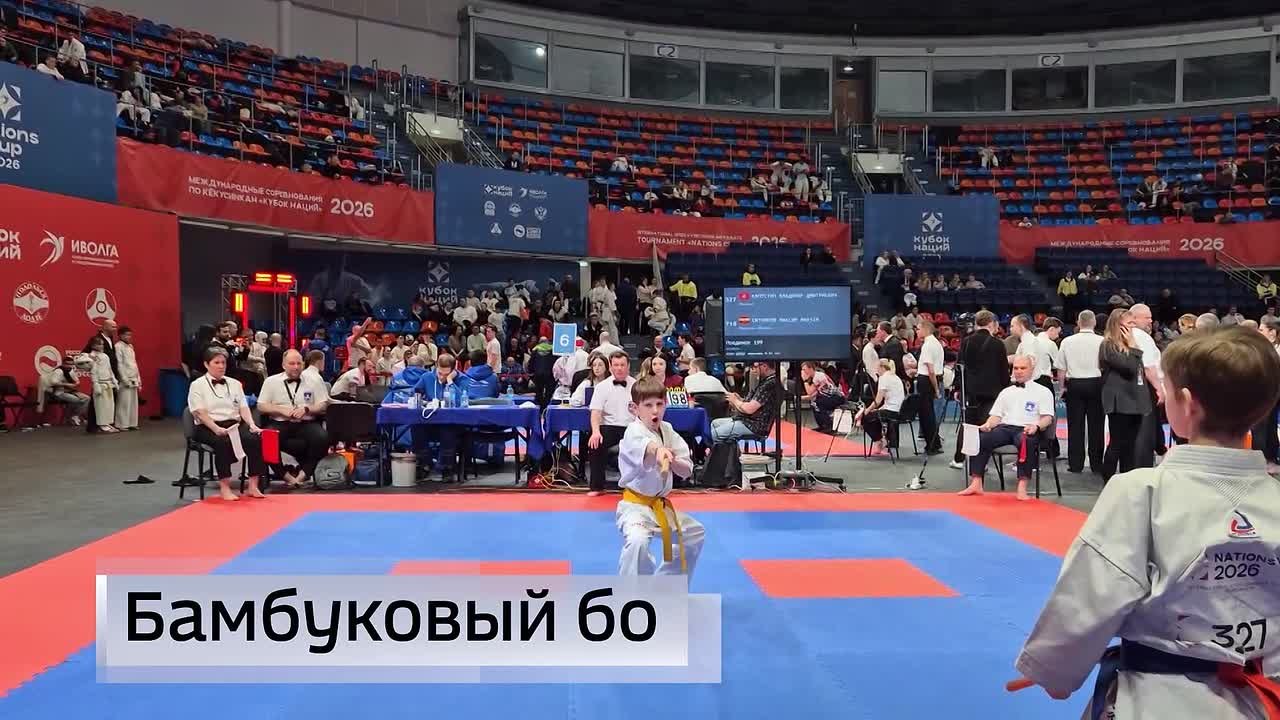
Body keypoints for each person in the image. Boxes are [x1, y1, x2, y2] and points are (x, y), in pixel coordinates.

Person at [1011, 327, 1280, 717]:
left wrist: (1054, 669)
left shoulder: (1142, 491)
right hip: (1263, 698)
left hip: (1159, 698)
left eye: (1165, 391)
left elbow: (1095, 590)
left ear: (1186, 404)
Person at [616, 377, 705, 577]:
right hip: (635, 507)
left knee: (694, 534)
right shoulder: (633, 431)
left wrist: (673, 460)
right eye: (648, 405)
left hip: (660, 507)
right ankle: (631, 592)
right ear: (634, 408)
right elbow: (646, 445)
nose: (655, 410)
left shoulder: (668, 430)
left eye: (659, 404)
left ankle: (667, 584)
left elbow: (686, 470)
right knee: (637, 542)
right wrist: (659, 450)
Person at [957, 355, 1056, 501]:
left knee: (1026, 441)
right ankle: (976, 482)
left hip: (1027, 429)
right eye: (1016, 368)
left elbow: (1048, 418)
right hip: (1005, 428)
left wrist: (1036, 426)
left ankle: (1022, 486)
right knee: (981, 439)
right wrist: (988, 425)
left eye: (1023, 368)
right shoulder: (1006, 392)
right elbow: (996, 416)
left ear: (1032, 369)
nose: (1019, 371)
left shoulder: (1043, 391)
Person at [187, 348, 266, 501]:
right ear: (206, 364)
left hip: (233, 424)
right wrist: (216, 428)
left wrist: (251, 424)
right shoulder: (197, 385)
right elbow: (199, 412)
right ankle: (225, 487)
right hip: (208, 426)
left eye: (223, 362)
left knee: (254, 438)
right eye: (216, 362)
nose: (221, 366)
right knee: (222, 442)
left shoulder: (235, 384)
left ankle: (253, 485)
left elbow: (243, 407)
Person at [256, 350, 330, 489]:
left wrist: (307, 409)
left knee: (322, 437)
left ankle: (304, 474)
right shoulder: (271, 381)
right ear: (283, 365)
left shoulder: (314, 380)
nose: (296, 367)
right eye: (292, 363)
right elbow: (261, 405)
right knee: (267, 439)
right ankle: (285, 475)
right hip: (280, 422)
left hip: (306, 422)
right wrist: (280, 409)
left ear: (303, 364)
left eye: (299, 363)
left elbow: (323, 404)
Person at [949, 310, 1010, 469]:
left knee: (967, 425)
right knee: (986, 426)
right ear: (992, 323)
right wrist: (1006, 390)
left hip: (970, 391)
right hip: (992, 393)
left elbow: (959, 366)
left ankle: (959, 459)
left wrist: (957, 387)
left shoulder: (966, 341)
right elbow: (1003, 371)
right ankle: (981, 463)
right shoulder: (998, 344)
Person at [1100, 310, 1151, 481]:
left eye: (1133, 323)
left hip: (1135, 400)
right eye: (1129, 324)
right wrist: (1134, 347)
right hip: (1120, 402)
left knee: (1130, 445)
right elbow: (1129, 368)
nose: (1132, 327)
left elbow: (1138, 373)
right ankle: (1108, 480)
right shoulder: (1108, 345)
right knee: (1117, 443)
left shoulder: (1130, 345)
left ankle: (1126, 480)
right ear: (1118, 325)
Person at [1059, 310, 1105, 475]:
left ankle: (1076, 464)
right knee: (1097, 426)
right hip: (1097, 384)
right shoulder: (1102, 341)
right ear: (1094, 323)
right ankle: (1096, 464)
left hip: (1075, 385)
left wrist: (1062, 387)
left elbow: (1061, 369)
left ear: (1078, 323)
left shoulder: (1067, 341)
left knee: (1075, 426)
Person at [588, 352, 636, 496]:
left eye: (622, 365)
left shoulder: (636, 385)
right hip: (608, 427)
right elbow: (595, 412)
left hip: (632, 427)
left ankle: (637, 486)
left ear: (628, 366)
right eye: (616, 365)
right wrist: (595, 432)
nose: (619, 368)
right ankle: (597, 487)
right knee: (595, 442)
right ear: (610, 367)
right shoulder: (602, 387)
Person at [712, 361, 781, 444]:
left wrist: (735, 401)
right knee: (714, 423)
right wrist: (739, 399)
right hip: (747, 420)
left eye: (755, 367)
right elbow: (754, 403)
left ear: (764, 366)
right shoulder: (766, 381)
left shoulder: (769, 384)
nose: (753, 370)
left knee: (714, 434)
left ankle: (719, 452)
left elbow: (749, 409)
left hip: (754, 425)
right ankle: (730, 451)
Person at [856, 359, 906, 455]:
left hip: (891, 412)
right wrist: (877, 409)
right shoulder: (896, 377)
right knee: (875, 415)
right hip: (899, 410)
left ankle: (879, 441)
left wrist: (867, 410)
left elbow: (877, 401)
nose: (876, 370)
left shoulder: (883, 378)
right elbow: (891, 400)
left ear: (882, 367)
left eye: (877, 367)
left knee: (865, 418)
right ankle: (882, 439)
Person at [1253, 316, 1280, 474]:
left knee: (1263, 424)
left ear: (1272, 332)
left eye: (1261, 329)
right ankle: (1268, 458)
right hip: (1269, 391)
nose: (1258, 332)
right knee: (1267, 424)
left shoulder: (1275, 350)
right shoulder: (1267, 348)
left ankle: (1264, 459)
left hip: (1270, 391)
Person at [915, 319, 945, 454]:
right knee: (929, 414)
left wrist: (936, 389)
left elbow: (931, 370)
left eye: (918, 329)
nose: (916, 331)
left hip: (927, 381)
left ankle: (932, 445)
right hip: (932, 379)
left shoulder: (928, 345)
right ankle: (934, 443)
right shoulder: (936, 343)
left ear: (925, 329)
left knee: (926, 415)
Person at [83, 336, 119, 433]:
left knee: (109, 405)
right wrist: (95, 384)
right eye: (99, 344)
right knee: (100, 406)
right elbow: (93, 371)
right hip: (100, 383)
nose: (101, 346)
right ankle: (102, 424)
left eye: (102, 344)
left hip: (108, 383)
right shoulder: (90, 356)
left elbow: (109, 369)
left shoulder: (105, 356)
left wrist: (114, 380)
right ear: (93, 345)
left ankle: (107, 423)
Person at [41, 355, 89, 425]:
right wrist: (67, 385)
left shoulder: (71, 371)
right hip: (58, 393)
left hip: (70, 391)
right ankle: (70, 416)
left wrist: (76, 384)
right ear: (63, 363)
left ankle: (75, 415)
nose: (69, 366)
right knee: (76, 400)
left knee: (87, 398)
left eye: (71, 364)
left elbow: (77, 381)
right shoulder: (58, 371)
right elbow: (53, 382)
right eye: (67, 364)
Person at [800, 361, 844, 434]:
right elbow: (813, 395)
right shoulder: (814, 377)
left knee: (818, 403)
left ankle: (829, 425)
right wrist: (801, 398)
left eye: (804, 369)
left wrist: (805, 380)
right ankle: (822, 425)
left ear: (811, 368)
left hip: (837, 397)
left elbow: (810, 392)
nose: (803, 372)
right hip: (828, 396)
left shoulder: (818, 376)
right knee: (813, 402)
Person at [114, 326, 142, 431]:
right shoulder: (118, 346)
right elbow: (119, 364)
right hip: (125, 378)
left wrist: (138, 379)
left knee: (133, 403)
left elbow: (134, 363)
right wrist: (124, 379)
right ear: (120, 335)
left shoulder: (130, 346)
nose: (129, 337)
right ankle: (121, 424)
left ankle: (132, 423)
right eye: (126, 335)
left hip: (133, 376)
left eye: (130, 335)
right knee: (124, 402)